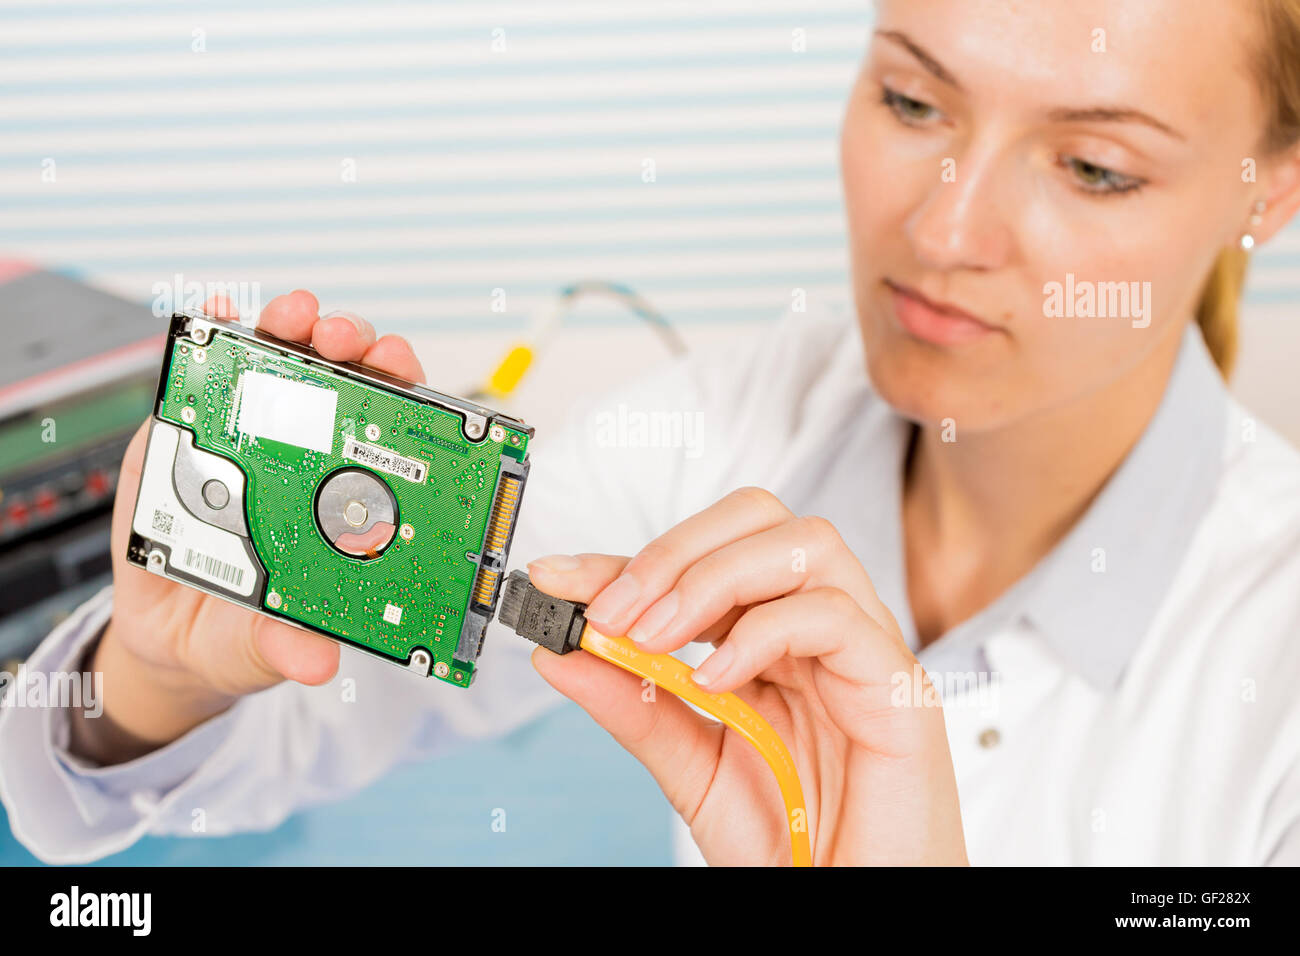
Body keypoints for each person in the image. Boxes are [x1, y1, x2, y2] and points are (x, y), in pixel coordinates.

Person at [4, 0, 1300, 865]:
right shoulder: (706, 439)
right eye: (913, 102)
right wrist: (159, 681)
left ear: (1271, 192)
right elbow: (271, 731)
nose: (948, 232)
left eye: (1095, 169)